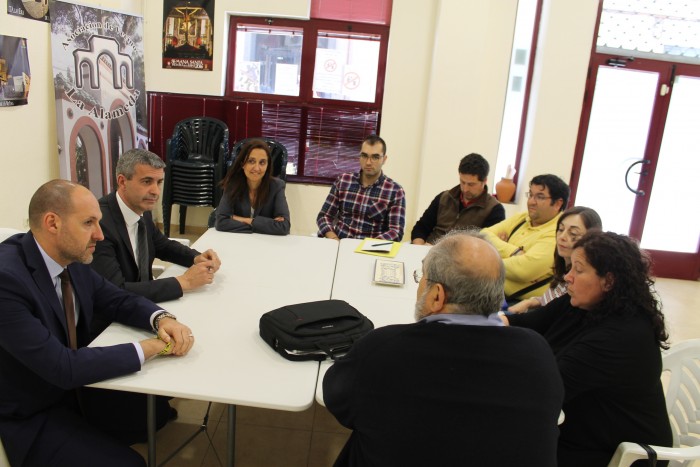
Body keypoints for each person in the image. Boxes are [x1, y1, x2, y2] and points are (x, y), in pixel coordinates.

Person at [323, 230, 564, 467]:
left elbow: (338, 401)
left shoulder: (382, 349)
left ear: (436, 296)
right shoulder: (537, 354)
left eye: (422, 277)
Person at [0, 180, 195, 467]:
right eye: (89, 223)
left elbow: (117, 300)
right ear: (52, 223)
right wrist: (152, 347)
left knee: (153, 414)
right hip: (31, 411)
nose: (100, 235)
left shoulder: (70, 258)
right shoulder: (7, 280)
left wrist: (161, 318)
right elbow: (62, 367)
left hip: (73, 390)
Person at [504, 231, 673, 466]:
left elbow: (543, 391)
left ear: (609, 281)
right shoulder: (583, 302)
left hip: (619, 453)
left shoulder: (621, 336)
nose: (567, 277)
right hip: (583, 427)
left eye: (579, 270)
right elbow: (522, 324)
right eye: (570, 267)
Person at [92, 149, 221, 306]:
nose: (155, 191)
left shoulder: (141, 207)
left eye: (159, 182)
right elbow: (115, 291)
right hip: (110, 321)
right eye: (147, 182)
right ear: (122, 182)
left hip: (144, 304)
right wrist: (183, 282)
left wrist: (195, 257)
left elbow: (162, 245)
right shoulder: (99, 224)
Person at [481, 173, 570, 301]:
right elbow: (483, 235)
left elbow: (523, 271)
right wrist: (514, 252)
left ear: (557, 203)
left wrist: (487, 258)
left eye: (540, 197)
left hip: (520, 305)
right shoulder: (522, 218)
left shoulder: (559, 232)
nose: (531, 202)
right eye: (530, 195)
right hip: (491, 291)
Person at [508, 206, 602, 313]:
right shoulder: (563, 268)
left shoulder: (580, 283)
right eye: (560, 229)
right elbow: (551, 299)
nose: (562, 236)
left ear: (591, 240)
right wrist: (531, 302)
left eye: (573, 234)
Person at [316, 134, 406, 241]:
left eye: (375, 157)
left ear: (384, 159)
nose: (368, 162)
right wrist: (334, 238)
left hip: (370, 250)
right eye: (364, 156)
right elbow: (324, 216)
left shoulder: (395, 191)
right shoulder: (343, 181)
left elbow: (395, 231)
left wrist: (367, 246)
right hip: (339, 243)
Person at [411, 152, 505, 245]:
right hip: (428, 250)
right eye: (462, 182)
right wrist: (419, 248)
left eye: (471, 184)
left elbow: (487, 247)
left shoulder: (494, 210)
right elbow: (421, 228)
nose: (465, 189)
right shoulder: (444, 197)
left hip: (461, 257)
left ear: (484, 181)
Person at [215, 138, 291, 235]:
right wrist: (266, 225)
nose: (256, 168)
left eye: (262, 162)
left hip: (267, 243)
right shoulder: (232, 184)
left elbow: (283, 226)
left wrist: (245, 220)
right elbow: (221, 222)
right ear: (243, 164)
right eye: (251, 161)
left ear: (267, 165)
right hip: (239, 241)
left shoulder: (277, 186)